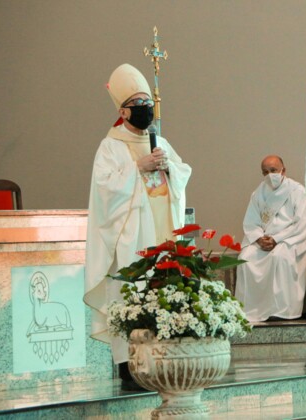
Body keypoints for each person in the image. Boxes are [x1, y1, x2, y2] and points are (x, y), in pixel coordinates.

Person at [83, 63, 192, 390]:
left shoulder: (160, 141)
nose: (146, 109)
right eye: (139, 104)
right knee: (129, 295)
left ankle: (161, 357)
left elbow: (183, 172)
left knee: (161, 292)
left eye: (148, 103)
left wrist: (169, 167)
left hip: (162, 231)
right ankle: (128, 365)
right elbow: (104, 191)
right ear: (123, 111)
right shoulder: (111, 146)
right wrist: (137, 168)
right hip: (131, 237)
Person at [234, 155, 306, 323]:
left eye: (273, 170)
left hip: (290, 238)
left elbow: (303, 222)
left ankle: (281, 310)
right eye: (265, 172)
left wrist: (277, 239)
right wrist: (258, 238)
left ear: (283, 170)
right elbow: (251, 222)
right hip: (264, 240)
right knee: (245, 258)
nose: (270, 175)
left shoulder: (297, 191)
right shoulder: (258, 193)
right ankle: (251, 310)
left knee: (280, 257)